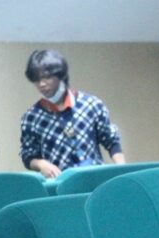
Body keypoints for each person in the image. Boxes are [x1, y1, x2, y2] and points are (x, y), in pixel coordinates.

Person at [20, 49, 125, 178]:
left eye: (47, 77)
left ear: (60, 74)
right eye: (36, 79)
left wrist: (121, 171)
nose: (41, 84)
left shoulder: (91, 105)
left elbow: (111, 140)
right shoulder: (32, 117)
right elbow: (27, 154)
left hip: (95, 180)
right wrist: (41, 164)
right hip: (59, 183)